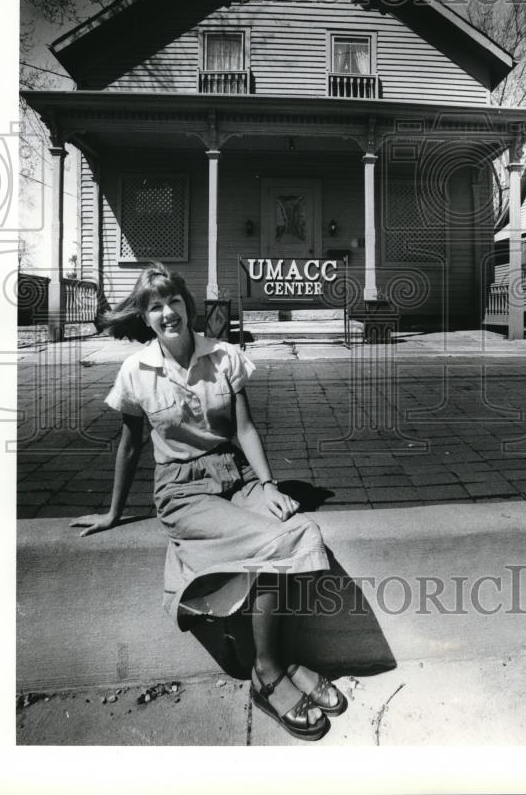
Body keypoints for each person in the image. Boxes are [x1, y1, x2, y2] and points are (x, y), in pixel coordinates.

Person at [71, 263, 347, 740]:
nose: (167, 313)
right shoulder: (135, 372)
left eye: (173, 301)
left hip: (234, 476)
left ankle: (282, 657)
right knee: (269, 543)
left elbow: (244, 430)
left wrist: (269, 485)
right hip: (182, 491)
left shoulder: (224, 357)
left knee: (301, 529)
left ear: (187, 305)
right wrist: (114, 512)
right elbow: (131, 446)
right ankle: (267, 674)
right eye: (155, 306)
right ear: (145, 316)